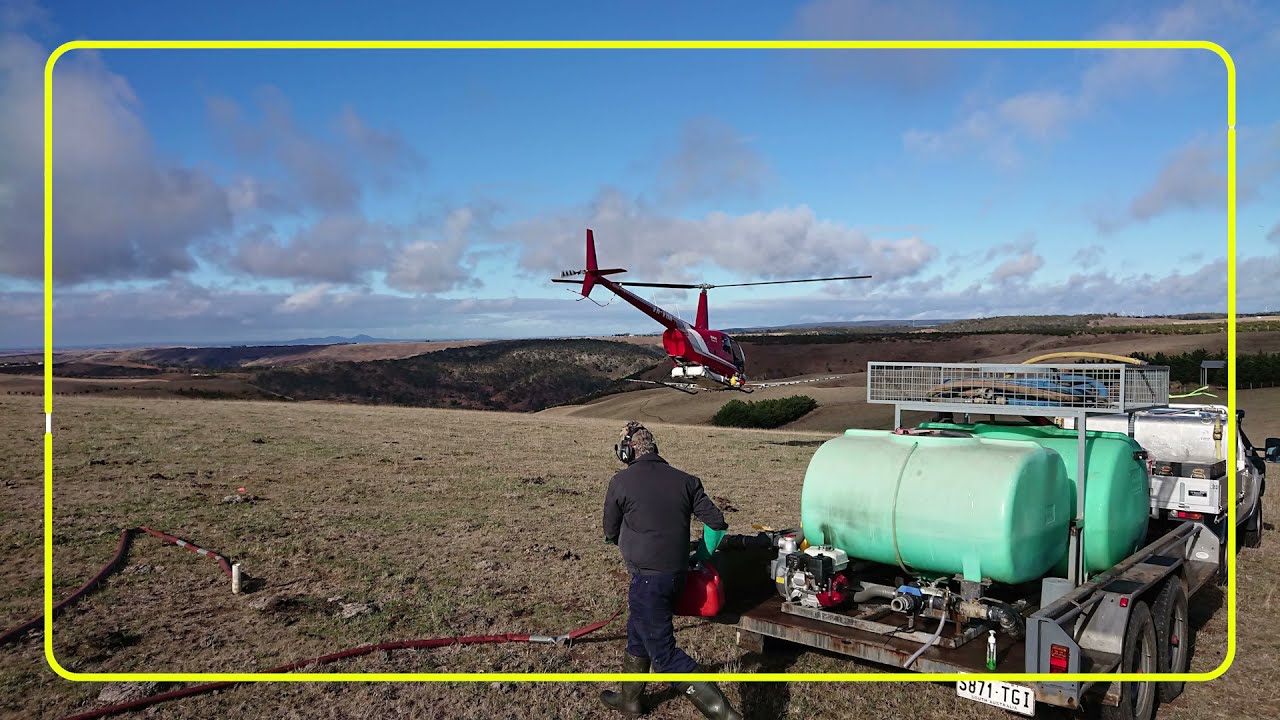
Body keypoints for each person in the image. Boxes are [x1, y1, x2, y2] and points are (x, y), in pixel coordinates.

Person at [599, 421, 742, 720]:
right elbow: (717, 523)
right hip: (678, 577)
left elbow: (609, 531)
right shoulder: (686, 481)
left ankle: (726, 715)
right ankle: (629, 700)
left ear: (627, 451)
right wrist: (701, 556)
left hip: (647, 582)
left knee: (664, 657)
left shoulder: (621, 482)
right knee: (638, 634)